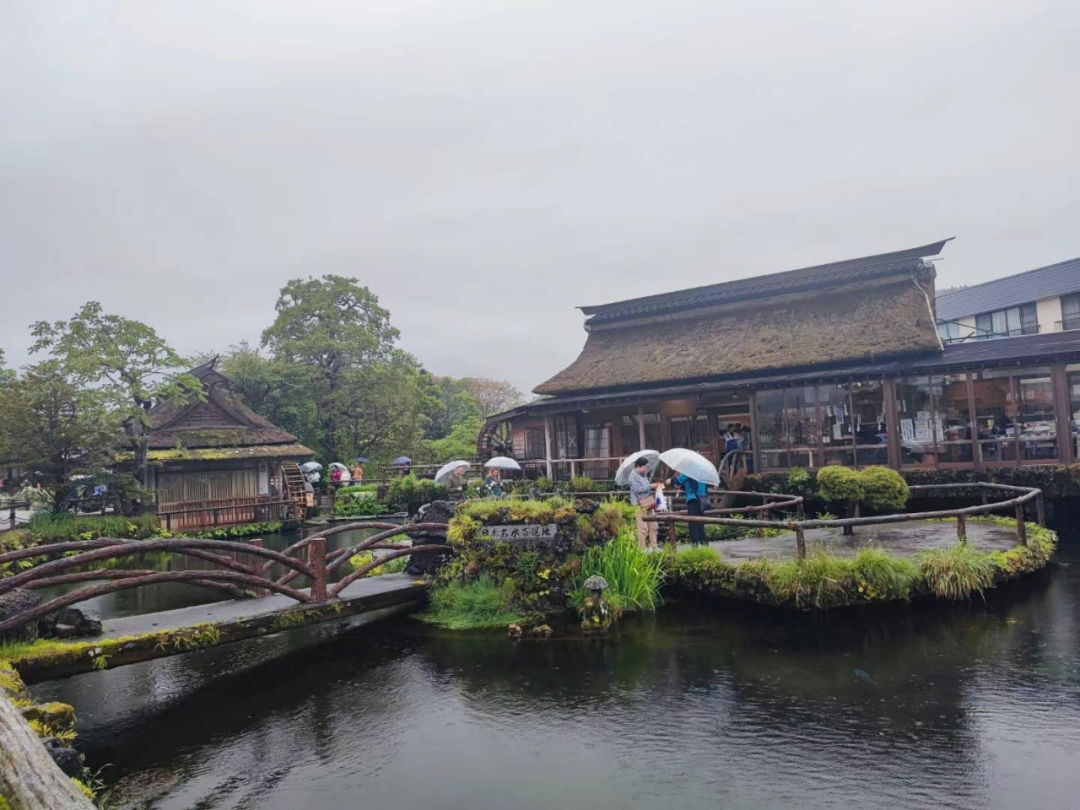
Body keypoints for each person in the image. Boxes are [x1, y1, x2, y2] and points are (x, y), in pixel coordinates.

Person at [628, 456, 663, 550]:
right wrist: (650, 486)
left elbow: (646, 487)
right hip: (639, 504)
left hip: (648, 502)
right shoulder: (632, 476)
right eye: (644, 466)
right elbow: (638, 489)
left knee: (654, 526)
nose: (646, 468)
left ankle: (654, 546)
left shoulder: (643, 475)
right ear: (638, 466)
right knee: (643, 528)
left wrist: (655, 486)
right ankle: (642, 548)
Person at [666, 472, 708, 545]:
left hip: (693, 499)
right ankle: (705, 545)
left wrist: (671, 480)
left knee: (693, 524)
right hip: (702, 500)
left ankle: (695, 546)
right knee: (700, 524)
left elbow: (679, 480)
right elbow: (693, 485)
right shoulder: (701, 472)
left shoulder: (690, 471)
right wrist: (681, 487)